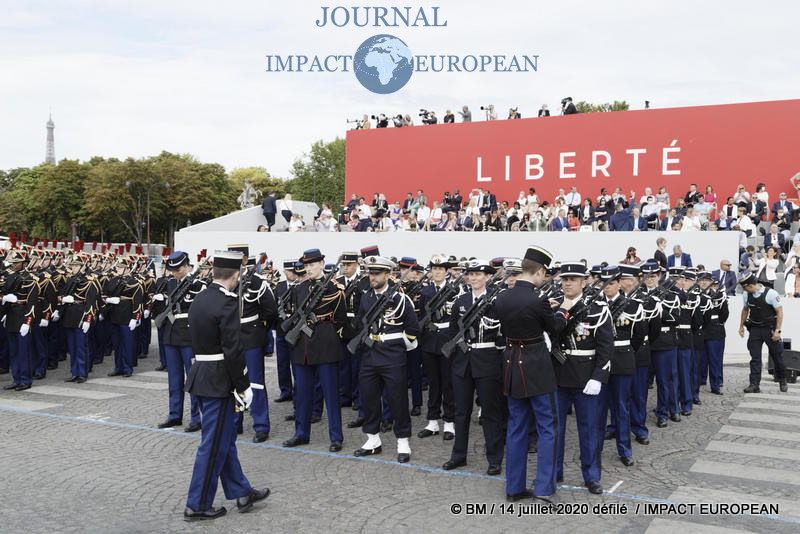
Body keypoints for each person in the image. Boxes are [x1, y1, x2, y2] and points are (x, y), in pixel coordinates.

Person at [183, 250, 269, 521]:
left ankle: (241, 491)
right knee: (212, 444)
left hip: (202, 374)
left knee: (224, 439)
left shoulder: (200, 298)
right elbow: (232, 350)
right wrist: (244, 385)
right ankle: (197, 504)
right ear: (235, 275)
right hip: (220, 379)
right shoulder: (228, 302)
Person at [492, 246, 572, 503]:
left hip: (511, 362)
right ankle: (544, 488)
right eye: (544, 273)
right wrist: (562, 311)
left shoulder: (502, 297)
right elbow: (556, 327)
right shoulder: (538, 300)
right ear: (538, 271)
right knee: (548, 427)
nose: (545, 278)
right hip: (536, 365)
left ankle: (514, 488)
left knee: (516, 426)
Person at [552, 262, 612, 495]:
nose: (567, 282)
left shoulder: (597, 309)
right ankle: (554, 471)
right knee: (555, 429)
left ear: (584, 282)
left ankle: (591, 475)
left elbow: (606, 348)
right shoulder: (554, 307)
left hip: (586, 378)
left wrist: (598, 377)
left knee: (589, 430)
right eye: (565, 278)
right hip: (558, 375)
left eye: (573, 279)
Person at [352, 256, 419, 463]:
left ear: (388, 275)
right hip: (370, 355)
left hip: (392, 355)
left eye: (377, 274)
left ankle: (403, 441)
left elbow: (413, 328)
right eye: (371, 273)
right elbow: (362, 323)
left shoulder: (400, 299)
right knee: (369, 398)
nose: (372, 277)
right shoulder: (366, 298)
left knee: (397, 399)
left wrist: (399, 346)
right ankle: (373, 439)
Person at [443, 259, 506, 476]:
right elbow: (452, 331)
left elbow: (503, 333)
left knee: (491, 412)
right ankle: (458, 455)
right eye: (471, 274)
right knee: (461, 411)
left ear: (488, 277)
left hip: (487, 360)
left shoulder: (496, 301)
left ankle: (494, 459)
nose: (474, 278)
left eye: (479, 274)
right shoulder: (460, 301)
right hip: (462, 362)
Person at [283, 249, 346, 451]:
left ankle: (336, 436)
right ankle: (301, 433)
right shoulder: (299, 289)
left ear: (321, 264)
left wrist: (329, 334)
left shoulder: (335, 289)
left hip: (326, 342)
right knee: (302, 393)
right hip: (303, 346)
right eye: (306, 265)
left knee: (330, 394)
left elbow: (341, 319)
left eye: (312, 265)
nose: (308, 269)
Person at [229, 246, 278, 443]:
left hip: (251, 337)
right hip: (232, 339)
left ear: (245, 259)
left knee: (255, 382)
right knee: (234, 381)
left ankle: (261, 425)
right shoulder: (227, 282)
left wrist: (259, 330)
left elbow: (270, 310)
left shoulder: (257, 282)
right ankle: (235, 421)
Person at [598, 265, 643, 468]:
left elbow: (638, 336)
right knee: (598, 409)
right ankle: (594, 449)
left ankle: (624, 449)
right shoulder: (595, 305)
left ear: (619, 284)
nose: (607, 287)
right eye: (603, 283)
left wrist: (624, 352)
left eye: (612, 283)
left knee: (621, 408)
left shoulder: (633, 306)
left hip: (622, 358)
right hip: (599, 362)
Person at [157, 251, 205, 431]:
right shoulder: (170, 284)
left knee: (192, 378)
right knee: (174, 379)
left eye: (176, 270)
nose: (173, 273)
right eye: (172, 270)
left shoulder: (198, 285)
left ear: (186, 266)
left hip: (188, 335)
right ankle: (174, 414)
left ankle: (195, 417)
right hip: (171, 334)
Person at [417, 255, 459, 441]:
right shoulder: (425, 291)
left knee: (448, 383)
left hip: (447, 340)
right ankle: (433, 421)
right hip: (429, 341)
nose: (437, 272)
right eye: (434, 269)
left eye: (441, 269)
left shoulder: (456, 290)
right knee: (433, 383)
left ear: (446, 271)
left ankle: (449, 422)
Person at [739, 272, 787, 393]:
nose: (743, 289)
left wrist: (778, 331)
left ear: (750, 285)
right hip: (755, 329)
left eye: (744, 287)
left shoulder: (771, 294)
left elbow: (780, 312)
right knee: (755, 357)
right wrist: (741, 326)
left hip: (770, 329)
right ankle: (754, 384)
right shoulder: (746, 294)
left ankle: (782, 379)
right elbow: (745, 310)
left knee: (777, 356)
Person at [2, 249, 39, 391]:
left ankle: (25, 379)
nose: (14, 265)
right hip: (11, 316)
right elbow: (4, 294)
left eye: (17, 263)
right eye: (13, 262)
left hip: (23, 317)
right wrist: (4, 310)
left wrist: (28, 322)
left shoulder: (31, 279)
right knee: (14, 352)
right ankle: (16, 379)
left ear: (25, 263)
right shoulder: (10, 277)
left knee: (24, 352)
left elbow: (33, 303)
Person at [60, 253, 99, 383]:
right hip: (70, 314)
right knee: (72, 347)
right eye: (73, 265)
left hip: (81, 315)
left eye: (77, 265)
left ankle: (82, 373)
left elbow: (91, 302)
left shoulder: (89, 281)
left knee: (81, 346)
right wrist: (64, 299)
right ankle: (74, 372)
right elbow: (62, 294)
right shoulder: (70, 279)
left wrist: (88, 319)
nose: (74, 268)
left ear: (83, 266)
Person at [698, 273, 728, 395]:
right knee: (700, 359)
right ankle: (699, 381)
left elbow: (724, 313)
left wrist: (717, 323)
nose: (704, 282)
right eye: (702, 280)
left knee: (714, 360)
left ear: (711, 282)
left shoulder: (719, 295)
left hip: (714, 330)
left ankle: (715, 385)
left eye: (707, 280)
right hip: (699, 331)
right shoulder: (694, 295)